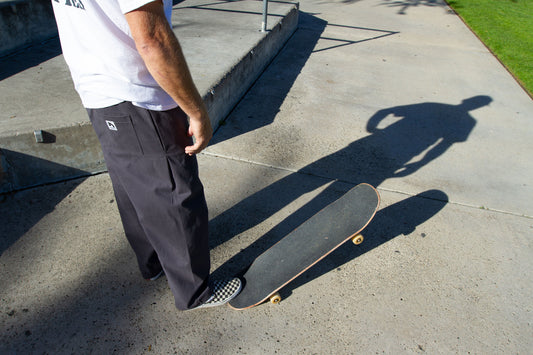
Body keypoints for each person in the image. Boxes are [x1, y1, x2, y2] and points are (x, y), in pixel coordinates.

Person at [51, 0, 241, 310]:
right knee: (175, 190)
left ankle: (153, 264)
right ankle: (195, 291)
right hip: (136, 92)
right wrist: (196, 111)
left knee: (132, 183)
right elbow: (152, 39)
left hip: (96, 88)